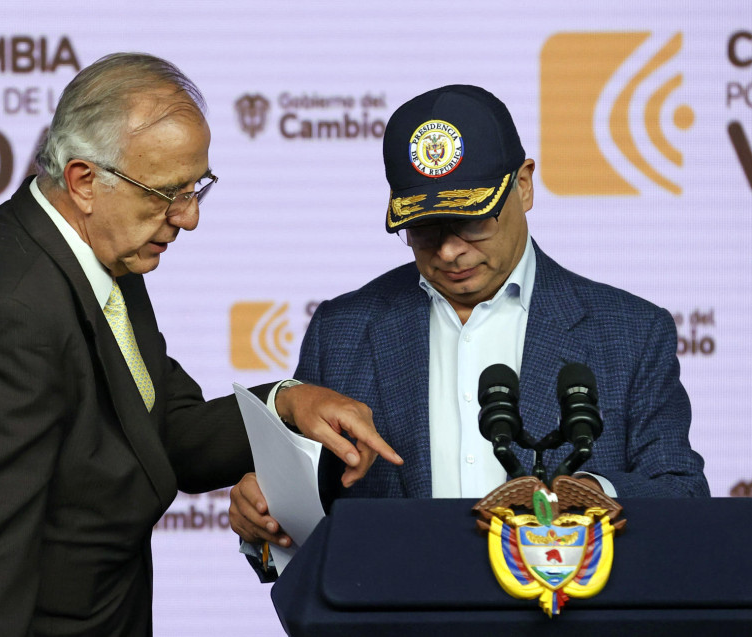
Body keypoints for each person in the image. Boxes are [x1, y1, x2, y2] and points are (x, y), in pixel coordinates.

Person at [0, 53, 401, 637]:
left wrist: (286, 404)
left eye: (197, 187)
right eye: (167, 192)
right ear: (84, 181)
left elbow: (160, 429)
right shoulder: (10, 314)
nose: (189, 217)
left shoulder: (103, 253)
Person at [229, 84, 709, 557]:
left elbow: (682, 495)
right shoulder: (342, 331)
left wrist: (586, 494)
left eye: (473, 220)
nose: (449, 250)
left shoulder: (631, 332)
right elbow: (306, 519)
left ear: (523, 185)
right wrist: (263, 516)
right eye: (423, 229)